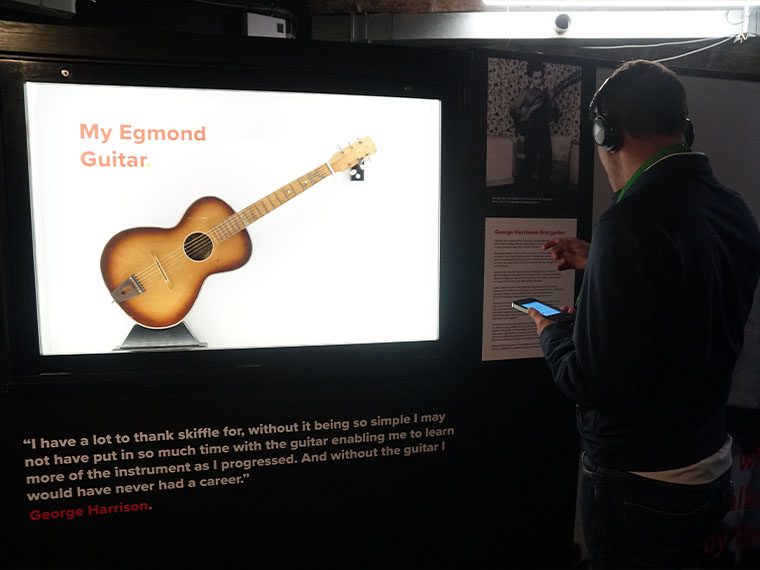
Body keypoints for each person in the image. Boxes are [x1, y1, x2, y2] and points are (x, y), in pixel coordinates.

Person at [526, 59, 760, 569]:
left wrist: (554, 328)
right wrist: (599, 259)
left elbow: (591, 382)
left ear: (603, 132)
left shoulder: (629, 224)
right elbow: (689, 283)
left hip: (639, 486)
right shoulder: (732, 209)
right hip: (708, 466)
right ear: (685, 128)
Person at [510, 60, 558, 186]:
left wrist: (552, 102)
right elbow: (513, 110)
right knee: (530, 162)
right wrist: (521, 111)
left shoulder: (546, 94)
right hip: (531, 132)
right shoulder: (525, 94)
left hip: (544, 132)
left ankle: (542, 192)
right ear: (530, 78)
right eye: (535, 78)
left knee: (546, 163)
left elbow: (555, 116)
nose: (539, 80)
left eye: (540, 77)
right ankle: (518, 189)